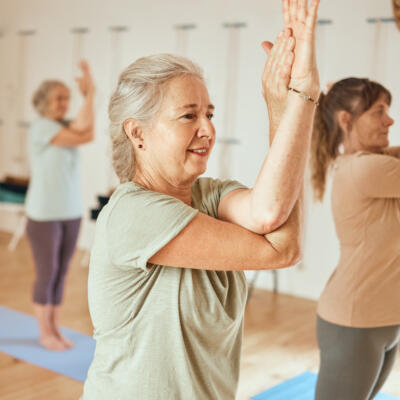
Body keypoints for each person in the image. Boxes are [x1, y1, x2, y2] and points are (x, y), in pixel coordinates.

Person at [81, 0, 320, 398]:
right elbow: (282, 249)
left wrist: (284, 103)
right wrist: (304, 97)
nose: (208, 129)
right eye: (188, 116)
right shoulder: (133, 213)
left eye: (210, 113)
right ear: (137, 134)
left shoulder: (210, 196)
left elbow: (269, 212)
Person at [310, 77, 400, 400]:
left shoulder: (380, 165)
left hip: (385, 318)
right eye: (379, 111)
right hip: (353, 322)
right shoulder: (364, 170)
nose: (390, 119)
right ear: (345, 119)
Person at [25, 61, 95, 351]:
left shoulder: (64, 126)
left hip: (71, 212)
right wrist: (89, 96)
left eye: (68, 98)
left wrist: (90, 94)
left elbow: (87, 131)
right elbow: (85, 132)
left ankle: (55, 328)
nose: (65, 103)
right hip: (44, 215)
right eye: (59, 98)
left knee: (63, 272)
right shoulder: (41, 127)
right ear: (44, 103)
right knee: (48, 272)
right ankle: (44, 333)